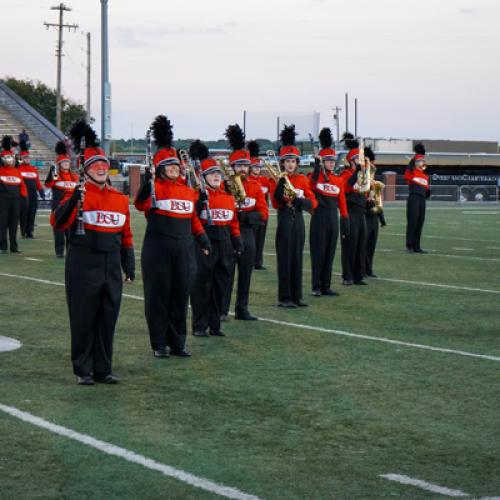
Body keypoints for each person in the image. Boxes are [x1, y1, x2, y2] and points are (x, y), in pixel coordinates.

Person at [51, 119, 135, 385]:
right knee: (84, 316)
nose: (101, 169)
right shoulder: (79, 194)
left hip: (110, 263)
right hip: (83, 263)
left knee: (108, 316)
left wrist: (128, 262)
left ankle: (103, 368)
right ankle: (82, 369)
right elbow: (58, 221)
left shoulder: (120, 199)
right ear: (85, 171)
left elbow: (126, 234)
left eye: (104, 165)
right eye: (94, 166)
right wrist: (75, 197)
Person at [135, 115, 211, 358]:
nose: (174, 169)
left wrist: (202, 239)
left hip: (185, 249)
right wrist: (147, 184)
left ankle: (178, 343)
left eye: (176, 166)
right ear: (160, 169)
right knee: (158, 297)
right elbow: (139, 204)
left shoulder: (187, 191)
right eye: (169, 167)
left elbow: (193, 219)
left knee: (180, 296)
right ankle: (159, 344)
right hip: (158, 250)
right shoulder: (155, 189)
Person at [189, 140, 243, 337]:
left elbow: (234, 221)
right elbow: (191, 220)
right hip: (204, 243)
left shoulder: (228, 197)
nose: (216, 177)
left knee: (221, 285)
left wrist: (237, 240)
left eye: (218, 173)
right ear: (202, 177)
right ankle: (199, 325)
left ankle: (215, 324)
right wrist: (199, 205)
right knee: (202, 285)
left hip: (225, 243)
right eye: (212, 174)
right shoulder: (197, 195)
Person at [222, 125, 268, 321]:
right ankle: (222, 310)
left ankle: (242, 309)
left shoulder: (255, 186)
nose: (242, 169)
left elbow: (263, 213)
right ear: (232, 167)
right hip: (227, 234)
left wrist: (247, 218)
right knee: (226, 273)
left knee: (246, 273)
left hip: (247, 232)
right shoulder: (223, 187)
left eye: (245, 165)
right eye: (238, 165)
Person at [272, 124, 317, 308]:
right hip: (284, 220)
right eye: (287, 161)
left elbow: (313, 203)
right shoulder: (278, 179)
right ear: (282, 163)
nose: (290, 164)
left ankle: (297, 296)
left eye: (293, 161)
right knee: (285, 260)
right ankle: (284, 298)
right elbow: (275, 203)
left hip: (298, 221)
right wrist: (280, 187)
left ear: (297, 163)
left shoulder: (302, 179)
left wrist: (300, 201)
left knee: (297, 259)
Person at [309, 128, 349, 296]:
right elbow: (311, 185)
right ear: (323, 161)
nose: (332, 163)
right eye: (328, 160)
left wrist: (345, 221)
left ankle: (326, 285)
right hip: (319, 218)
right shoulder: (315, 175)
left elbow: (342, 202)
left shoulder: (338, 180)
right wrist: (317, 166)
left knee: (330, 252)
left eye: (333, 160)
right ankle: (316, 286)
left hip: (333, 219)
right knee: (318, 252)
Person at [340, 132, 371, 286]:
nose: (360, 162)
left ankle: (359, 275)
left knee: (361, 243)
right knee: (350, 245)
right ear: (351, 161)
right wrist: (357, 172)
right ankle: (347, 276)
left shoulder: (363, 176)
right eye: (357, 159)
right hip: (350, 212)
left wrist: (369, 200)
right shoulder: (345, 174)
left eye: (360, 159)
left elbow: (364, 191)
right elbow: (345, 187)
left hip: (361, 212)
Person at [45, 141, 78, 257]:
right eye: (63, 162)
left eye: (67, 162)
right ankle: (59, 252)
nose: (66, 164)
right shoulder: (56, 175)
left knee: (71, 229)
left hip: (72, 206)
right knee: (59, 229)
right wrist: (53, 170)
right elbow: (48, 184)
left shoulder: (74, 176)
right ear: (59, 164)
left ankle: (70, 250)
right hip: (59, 205)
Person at [248, 140, 272, 270]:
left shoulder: (264, 180)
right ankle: (250, 261)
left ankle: (258, 262)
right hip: (252, 213)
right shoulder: (249, 181)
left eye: (258, 167)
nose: (257, 169)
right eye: (255, 167)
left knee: (261, 237)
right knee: (251, 238)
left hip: (263, 213)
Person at [0, 136, 27, 254]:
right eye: (6, 157)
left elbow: (22, 186)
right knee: (2, 223)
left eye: (10, 157)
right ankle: (3, 246)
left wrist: (24, 198)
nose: (9, 159)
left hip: (16, 200)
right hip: (3, 200)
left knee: (14, 224)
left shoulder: (17, 171)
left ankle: (14, 247)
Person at [364, 146, 387, 277]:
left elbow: (378, 202)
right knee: (364, 246)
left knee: (371, 245)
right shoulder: (363, 182)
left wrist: (382, 219)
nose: (374, 166)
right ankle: (361, 270)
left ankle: (369, 269)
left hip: (374, 219)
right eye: (372, 163)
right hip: (366, 217)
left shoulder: (374, 183)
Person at [405, 143, 430, 253]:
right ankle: (409, 246)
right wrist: (414, 159)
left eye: (423, 161)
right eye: (420, 161)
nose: (423, 162)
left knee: (420, 223)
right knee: (412, 222)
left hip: (422, 199)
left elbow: (426, 189)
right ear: (415, 162)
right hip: (413, 198)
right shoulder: (411, 172)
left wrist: (428, 192)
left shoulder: (425, 175)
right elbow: (406, 175)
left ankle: (417, 246)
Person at [18, 141, 45, 238]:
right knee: (24, 212)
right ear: (21, 159)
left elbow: (37, 182)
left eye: (28, 157)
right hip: (23, 194)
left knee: (32, 212)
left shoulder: (33, 169)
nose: (27, 159)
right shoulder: (19, 169)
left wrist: (41, 191)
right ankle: (24, 232)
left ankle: (30, 231)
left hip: (33, 194)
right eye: (25, 158)